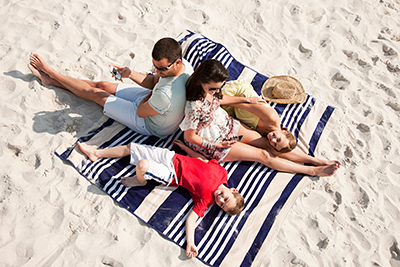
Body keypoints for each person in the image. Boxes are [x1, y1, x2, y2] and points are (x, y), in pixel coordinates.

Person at [77, 140, 245, 258]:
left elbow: (191, 220)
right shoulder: (222, 172)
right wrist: (185, 149)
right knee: (131, 148)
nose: (220, 200)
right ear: (233, 190)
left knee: (142, 165)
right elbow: (203, 160)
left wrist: (190, 243)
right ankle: (96, 153)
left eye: (221, 205)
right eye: (226, 198)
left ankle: (139, 181)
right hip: (171, 157)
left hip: (171, 175)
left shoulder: (206, 200)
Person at [180, 59, 341, 176]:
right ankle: (311, 170)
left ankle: (315, 160)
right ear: (202, 80)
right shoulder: (194, 106)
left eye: (219, 87)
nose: (216, 91)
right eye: (214, 88)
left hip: (226, 124)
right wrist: (217, 144)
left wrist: (246, 99)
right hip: (213, 141)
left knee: (268, 144)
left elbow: (219, 100)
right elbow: (190, 136)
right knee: (263, 155)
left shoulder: (210, 90)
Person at [28, 38, 194, 139]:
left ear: (176, 62)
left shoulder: (165, 94)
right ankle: (52, 81)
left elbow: (141, 111)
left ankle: (52, 73)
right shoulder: (184, 66)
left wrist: (155, 89)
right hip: (153, 102)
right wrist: (130, 74)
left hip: (149, 122)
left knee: (96, 94)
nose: (156, 71)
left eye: (161, 69)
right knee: (102, 85)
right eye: (155, 66)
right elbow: (153, 83)